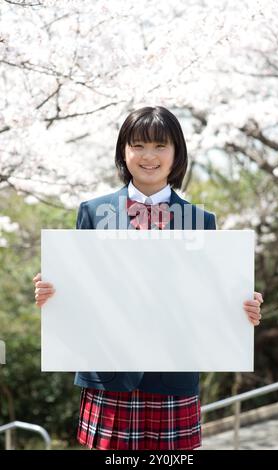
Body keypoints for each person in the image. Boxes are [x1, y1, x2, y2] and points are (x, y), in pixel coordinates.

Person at [33, 106, 263, 450]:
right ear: (123, 151)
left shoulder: (202, 221)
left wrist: (241, 309)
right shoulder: (93, 212)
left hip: (174, 374)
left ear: (177, 154)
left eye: (160, 146)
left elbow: (212, 301)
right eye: (138, 145)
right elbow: (79, 292)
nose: (148, 156)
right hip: (108, 374)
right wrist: (53, 294)